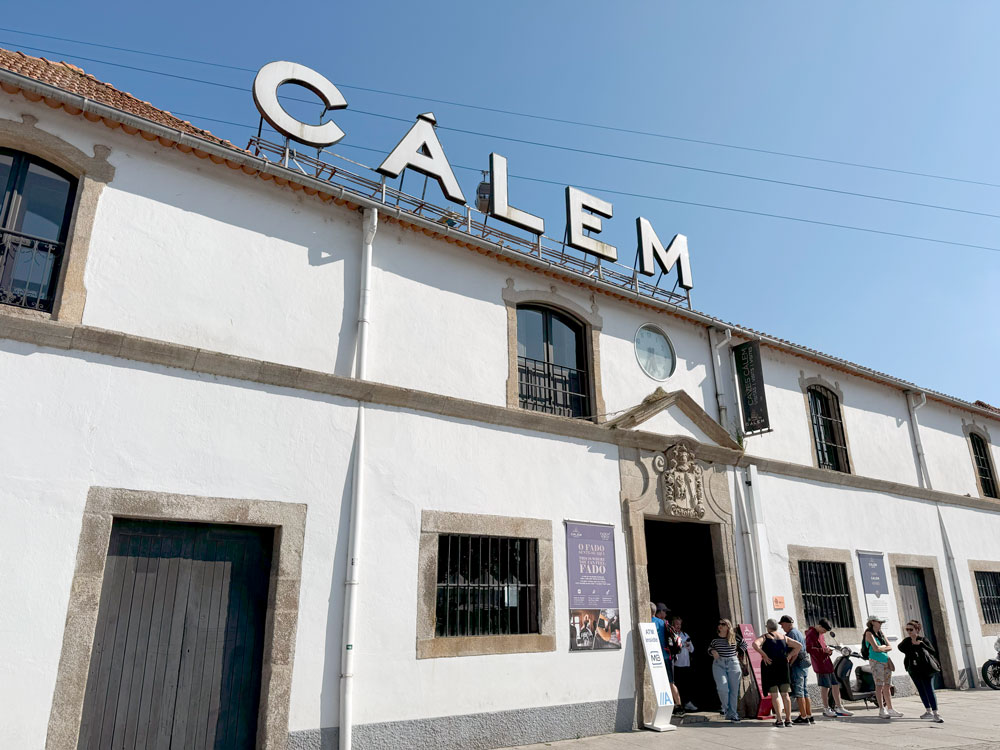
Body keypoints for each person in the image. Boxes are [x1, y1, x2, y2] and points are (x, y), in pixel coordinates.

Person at [753, 618, 801, 727]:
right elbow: (799, 646)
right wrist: (789, 655)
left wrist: (764, 655)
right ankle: (788, 720)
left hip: (770, 668)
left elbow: (755, 644)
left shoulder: (765, 637)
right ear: (777, 627)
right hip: (783, 667)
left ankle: (779, 720)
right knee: (785, 694)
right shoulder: (784, 637)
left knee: (774, 695)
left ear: (767, 627)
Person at [805, 617, 853, 718]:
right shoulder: (811, 634)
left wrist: (828, 651)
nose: (824, 632)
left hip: (827, 663)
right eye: (824, 630)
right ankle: (826, 708)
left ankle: (839, 707)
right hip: (820, 665)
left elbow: (823, 646)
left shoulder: (821, 635)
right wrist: (823, 651)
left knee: (835, 685)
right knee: (825, 687)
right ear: (819, 626)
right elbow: (809, 649)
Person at [898, 619, 942, 722]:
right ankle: (928, 711)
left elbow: (933, 651)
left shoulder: (923, 640)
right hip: (914, 669)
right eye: (907, 629)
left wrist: (921, 645)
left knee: (929, 690)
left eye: (911, 629)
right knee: (921, 690)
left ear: (917, 629)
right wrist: (911, 647)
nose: (909, 632)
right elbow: (900, 648)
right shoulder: (906, 641)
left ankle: (936, 713)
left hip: (926, 669)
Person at [709, 618, 748, 722]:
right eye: (719, 624)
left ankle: (733, 714)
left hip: (733, 663)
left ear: (728, 626)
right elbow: (709, 648)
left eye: (723, 624)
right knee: (723, 688)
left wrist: (738, 652)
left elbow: (745, 644)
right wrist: (713, 651)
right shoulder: (714, 638)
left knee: (734, 692)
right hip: (719, 664)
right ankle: (726, 709)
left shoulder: (734, 636)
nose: (720, 625)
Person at [864, 615, 901, 718]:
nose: (881, 624)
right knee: (879, 685)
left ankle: (890, 708)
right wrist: (884, 647)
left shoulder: (880, 633)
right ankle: (881, 709)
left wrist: (882, 647)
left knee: (887, 686)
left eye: (881, 622)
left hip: (886, 661)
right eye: (879, 622)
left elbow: (890, 647)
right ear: (872, 622)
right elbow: (875, 649)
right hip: (876, 661)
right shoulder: (869, 633)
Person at [779, 615, 814, 724]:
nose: (781, 627)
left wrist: (790, 663)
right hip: (804, 665)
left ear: (787, 623)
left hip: (798, 665)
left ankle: (803, 717)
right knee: (805, 691)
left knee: (799, 692)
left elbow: (796, 650)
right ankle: (809, 715)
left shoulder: (792, 634)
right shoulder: (797, 632)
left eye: (782, 624)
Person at [653, 604, 683, 710]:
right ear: (660, 612)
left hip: (654, 656)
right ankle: (678, 705)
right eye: (664, 612)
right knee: (670, 682)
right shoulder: (664, 623)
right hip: (667, 656)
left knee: (657, 681)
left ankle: (662, 706)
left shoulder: (650, 622)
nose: (665, 614)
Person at [670, 615, 698, 712]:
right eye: (676, 624)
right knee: (677, 685)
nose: (678, 626)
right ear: (673, 624)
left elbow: (692, 649)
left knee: (687, 685)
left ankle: (687, 703)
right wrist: (681, 645)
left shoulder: (685, 635)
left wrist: (688, 645)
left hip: (686, 664)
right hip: (676, 665)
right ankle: (678, 704)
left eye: (680, 624)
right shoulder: (672, 635)